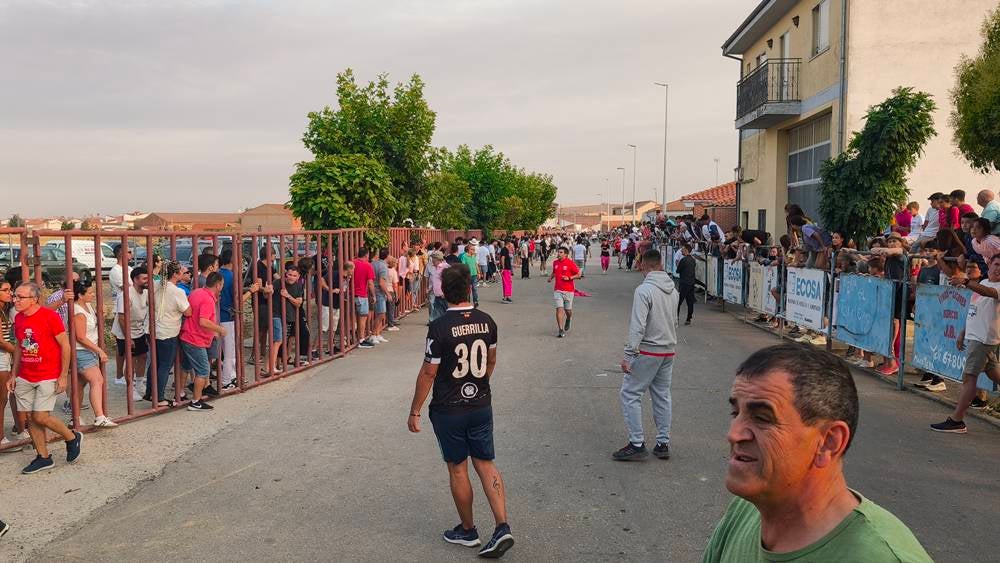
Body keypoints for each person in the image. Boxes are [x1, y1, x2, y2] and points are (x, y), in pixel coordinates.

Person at [703, 344, 932, 562]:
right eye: (735, 414)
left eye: (762, 418)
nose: (734, 434)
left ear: (829, 442)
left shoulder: (880, 557)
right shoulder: (746, 509)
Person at [406, 264, 514, 558]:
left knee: (458, 468)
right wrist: (480, 385)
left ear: (444, 291)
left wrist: (415, 410)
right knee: (486, 462)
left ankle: (468, 530)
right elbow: (491, 361)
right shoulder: (487, 321)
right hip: (480, 403)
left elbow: (429, 372)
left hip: (449, 407)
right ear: (468, 288)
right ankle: (502, 525)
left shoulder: (439, 327)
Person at [8, 282, 82, 474]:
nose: (15, 300)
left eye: (20, 297)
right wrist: (13, 374)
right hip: (25, 375)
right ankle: (43, 457)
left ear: (34, 299)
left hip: (47, 374)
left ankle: (71, 437)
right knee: (31, 417)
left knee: (41, 416)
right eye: (15, 296)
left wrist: (63, 375)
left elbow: (65, 346)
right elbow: (19, 347)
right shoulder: (19, 318)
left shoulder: (50, 317)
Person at [614, 248, 678, 461]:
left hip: (649, 348)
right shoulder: (673, 289)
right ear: (660, 264)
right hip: (668, 348)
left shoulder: (644, 290)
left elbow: (638, 326)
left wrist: (629, 354)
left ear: (642, 265)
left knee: (630, 393)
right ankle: (662, 442)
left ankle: (637, 442)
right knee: (662, 395)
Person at [931, 255, 1000, 433]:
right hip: (975, 337)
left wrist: (967, 281)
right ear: (990, 265)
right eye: (997, 264)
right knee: (994, 374)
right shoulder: (984, 282)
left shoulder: (993, 287)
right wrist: (963, 332)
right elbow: (974, 310)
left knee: (969, 378)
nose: (998, 269)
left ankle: (957, 420)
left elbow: (990, 294)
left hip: (984, 339)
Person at [71, 280, 116, 427]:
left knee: (79, 384)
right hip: (82, 350)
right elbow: (81, 337)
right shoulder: (78, 311)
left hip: (87, 350)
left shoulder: (87, 306)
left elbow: (93, 326)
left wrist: (101, 315)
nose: (92, 295)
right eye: (89, 293)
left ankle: (75, 417)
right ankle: (99, 416)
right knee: (97, 380)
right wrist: (100, 350)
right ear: (80, 295)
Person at [145, 262, 191, 406]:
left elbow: (148, 302)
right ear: (176, 274)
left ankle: (150, 392)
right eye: (181, 272)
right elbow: (187, 312)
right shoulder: (178, 292)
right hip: (168, 331)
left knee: (155, 362)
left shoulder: (156, 285)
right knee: (165, 365)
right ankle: (159, 398)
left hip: (151, 329)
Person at [181, 271, 227, 412]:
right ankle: (196, 401)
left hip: (187, 335)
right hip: (196, 338)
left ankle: (181, 393)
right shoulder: (208, 299)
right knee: (203, 370)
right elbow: (203, 321)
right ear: (218, 285)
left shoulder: (196, 292)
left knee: (186, 366)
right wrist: (219, 329)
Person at [112, 266, 149, 402]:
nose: (147, 281)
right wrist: (128, 337)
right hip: (124, 331)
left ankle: (139, 384)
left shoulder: (145, 292)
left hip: (138, 329)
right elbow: (122, 317)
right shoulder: (126, 294)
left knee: (143, 356)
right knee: (131, 360)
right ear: (135, 280)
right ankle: (131, 388)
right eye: (144, 278)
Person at [0, 281, 27, 450]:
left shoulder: (4, 311)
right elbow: (1, 341)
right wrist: (19, 352)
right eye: (5, 290)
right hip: (2, 357)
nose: (9, 293)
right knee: (1, 400)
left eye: (10, 289)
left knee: (6, 397)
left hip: (5, 356)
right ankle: (1, 438)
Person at [548, 247, 581, 338]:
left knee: (568, 310)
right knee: (559, 308)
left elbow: (579, 274)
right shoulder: (555, 263)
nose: (558, 254)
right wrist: (551, 277)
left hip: (569, 290)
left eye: (561, 252)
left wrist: (570, 278)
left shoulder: (570, 263)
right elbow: (554, 272)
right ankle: (561, 329)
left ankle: (569, 318)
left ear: (566, 254)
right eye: (558, 252)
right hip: (558, 290)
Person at [353, 247, 377, 349]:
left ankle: (350, 338)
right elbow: (371, 283)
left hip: (351, 294)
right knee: (363, 317)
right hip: (362, 294)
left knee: (351, 317)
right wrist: (373, 295)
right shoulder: (367, 266)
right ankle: (361, 339)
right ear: (366, 255)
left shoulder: (352, 262)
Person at [371, 249, 390, 344]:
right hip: (379, 292)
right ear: (387, 256)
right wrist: (388, 293)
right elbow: (382, 283)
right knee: (381, 313)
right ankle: (374, 334)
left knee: (380, 313)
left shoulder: (373, 263)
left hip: (373, 290)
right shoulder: (383, 267)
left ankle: (377, 333)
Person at [676, 244, 697, 326]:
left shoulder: (683, 260)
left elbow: (678, 270)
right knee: (690, 301)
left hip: (684, 283)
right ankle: (689, 318)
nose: (681, 251)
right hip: (691, 283)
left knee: (678, 301)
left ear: (687, 250)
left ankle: (676, 318)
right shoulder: (692, 260)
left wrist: (678, 265)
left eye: (683, 249)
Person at [460, 241, 481, 307]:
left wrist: (479, 272)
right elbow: (463, 266)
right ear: (468, 250)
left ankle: (475, 301)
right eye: (472, 249)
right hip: (467, 275)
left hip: (474, 275)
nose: (474, 251)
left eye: (474, 249)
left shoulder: (473, 256)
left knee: (474, 288)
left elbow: (476, 264)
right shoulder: (464, 256)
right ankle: (468, 302)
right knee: (468, 289)